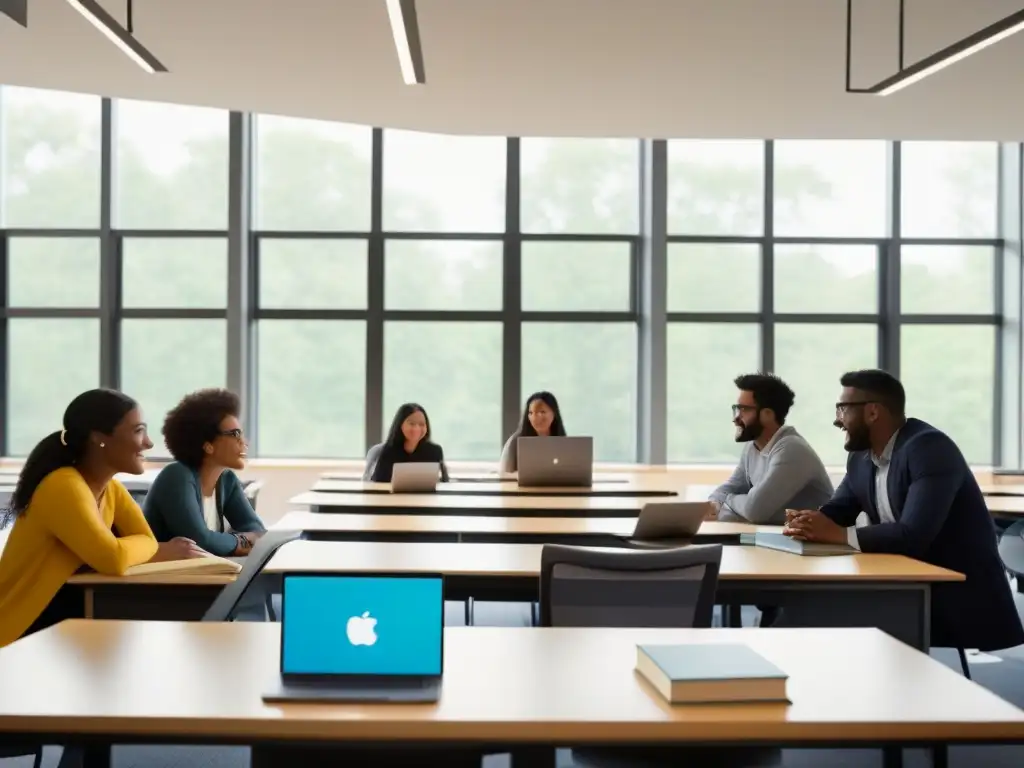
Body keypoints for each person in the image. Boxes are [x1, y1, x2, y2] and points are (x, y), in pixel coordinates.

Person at [785, 369, 1024, 652]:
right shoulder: (861, 457)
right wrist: (808, 522)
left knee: (811, 618)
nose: (837, 420)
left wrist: (839, 534)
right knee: (801, 612)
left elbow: (914, 535)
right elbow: (838, 510)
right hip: (897, 582)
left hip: (953, 595)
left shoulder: (929, 448)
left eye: (843, 409)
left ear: (873, 412)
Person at [0, 389, 204, 648]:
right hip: (16, 634)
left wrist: (146, 547)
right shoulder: (63, 486)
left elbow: (143, 540)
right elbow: (114, 559)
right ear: (99, 438)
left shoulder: (111, 488)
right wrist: (153, 548)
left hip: (58, 622)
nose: (149, 443)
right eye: (138, 431)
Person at [143, 388, 266, 557]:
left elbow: (259, 533)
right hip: (159, 580)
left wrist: (230, 541)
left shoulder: (226, 479)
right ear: (208, 445)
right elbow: (200, 541)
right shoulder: (176, 476)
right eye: (235, 434)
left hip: (201, 577)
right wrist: (242, 541)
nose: (244, 442)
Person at [709, 373, 833, 525]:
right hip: (781, 539)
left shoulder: (791, 449)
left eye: (744, 409)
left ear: (767, 414)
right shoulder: (752, 447)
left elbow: (754, 511)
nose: (736, 418)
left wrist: (728, 499)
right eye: (736, 408)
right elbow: (729, 489)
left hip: (816, 545)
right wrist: (716, 503)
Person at [370, 403, 449, 483]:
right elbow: (378, 483)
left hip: (426, 495)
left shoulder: (435, 451)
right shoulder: (388, 451)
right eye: (412, 424)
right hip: (394, 495)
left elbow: (444, 481)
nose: (417, 428)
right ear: (400, 425)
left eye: (421, 424)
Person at [499, 391, 567, 474]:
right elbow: (505, 474)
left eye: (542, 412)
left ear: (554, 413)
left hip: (556, 486)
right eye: (531, 413)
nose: (535, 418)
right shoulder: (515, 441)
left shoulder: (562, 440)